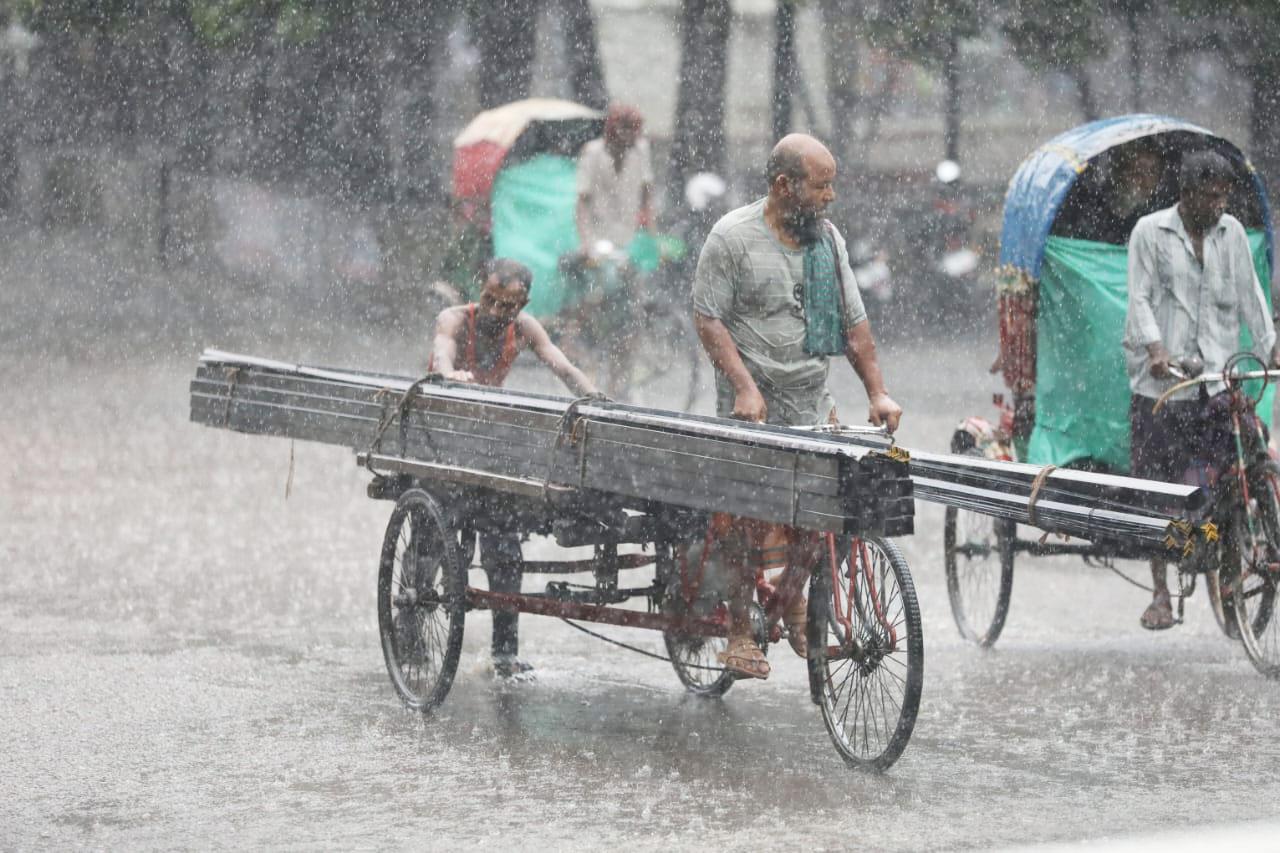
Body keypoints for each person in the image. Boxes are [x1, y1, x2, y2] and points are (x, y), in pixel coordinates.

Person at [692, 133, 903, 679]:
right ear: (784, 186)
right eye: (822, 185)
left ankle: (788, 602)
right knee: (746, 517)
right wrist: (743, 385)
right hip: (752, 410)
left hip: (812, 405)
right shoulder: (732, 237)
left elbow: (856, 327)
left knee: (820, 519)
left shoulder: (827, 242)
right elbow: (707, 316)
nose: (830, 196)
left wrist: (877, 392)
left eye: (832, 184)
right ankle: (740, 629)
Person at [1124, 149, 1280, 630]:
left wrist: (1272, 346)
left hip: (1218, 377)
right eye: (1210, 196)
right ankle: (1159, 593)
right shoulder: (1151, 232)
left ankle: (1236, 554)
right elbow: (1140, 298)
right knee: (1161, 485)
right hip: (1165, 385)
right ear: (1187, 194)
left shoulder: (1231, 233)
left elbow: (1253, 296)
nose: (1219, 204)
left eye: (1224, 196)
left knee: (1242, 461)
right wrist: (1155, 348)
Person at [430, 258, 598, 677]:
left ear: (522, 303)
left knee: (504, 544)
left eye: (506, 305)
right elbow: (442, 351)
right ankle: (410, 623)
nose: (494, 311)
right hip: (438, 435)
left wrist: (596, 399)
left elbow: (561, 365)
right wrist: (451, 376)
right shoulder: (454, 319)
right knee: (430, 540)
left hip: (487, 439)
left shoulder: (524, 327)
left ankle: (505, 651)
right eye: (489, 299)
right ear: (479, 290)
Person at [575, 103, 654, 255]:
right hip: (598, 236)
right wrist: (586, 241)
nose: (629, 137)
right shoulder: (593, 153)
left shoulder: (641, 150)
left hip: (629, 236)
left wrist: (652, 237)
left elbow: (647, 196)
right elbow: (582, 201)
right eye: (625, 131)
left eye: (633, 131)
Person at [1055, 142, 1165, 245]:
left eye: (1152, 172)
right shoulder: (1088, 211)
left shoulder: (1157, 220)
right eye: (1139, 170)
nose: (1146, 181)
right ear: (1122, 172)